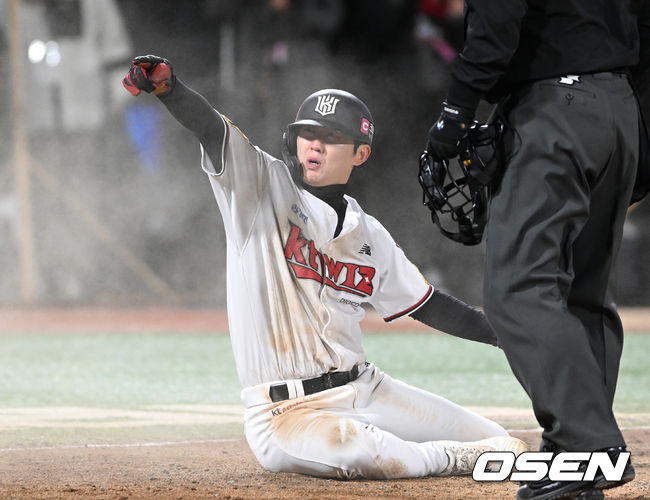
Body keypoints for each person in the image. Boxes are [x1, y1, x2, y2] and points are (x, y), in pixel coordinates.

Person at [122, 55, 527, 480]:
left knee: (491, 435)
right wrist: (171, 90)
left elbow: (424, 304)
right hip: (284, 412)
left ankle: (432, 451)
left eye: (331, 137)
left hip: (365, 388)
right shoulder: (259, 187)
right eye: (306, 134)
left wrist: (503, 336)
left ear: (360, 153)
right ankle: (447, 460)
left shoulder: (367, 233)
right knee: (361, 451)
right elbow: (211, 129)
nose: (314, 144)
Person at [425, 1, 650, 498]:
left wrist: (456, 110)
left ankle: (586, 445)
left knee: (518, 289)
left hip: (554, 112)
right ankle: (578, 460)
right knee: (583, 295)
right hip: (620, 110)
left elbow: (497, 21)